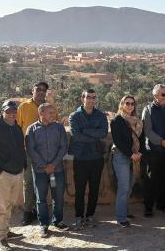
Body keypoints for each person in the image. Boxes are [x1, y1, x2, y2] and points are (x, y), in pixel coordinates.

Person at [25, 103, 68, 237]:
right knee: (41, 199)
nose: (53, 115)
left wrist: (53, 165)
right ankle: (43, 224)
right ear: (41, 114)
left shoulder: (59, 127)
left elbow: (63, 147)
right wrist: (44, 165)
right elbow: (31, 150)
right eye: (50, 113)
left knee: (58, 197)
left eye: (53, 112)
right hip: (40, 171)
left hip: (57, 170)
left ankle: (58, 221)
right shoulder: (31, 129)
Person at [69, 89, 108, 230]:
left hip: (96, 158)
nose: (91, 100)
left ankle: (90, 216)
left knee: (94, 189)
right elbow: (76, 136)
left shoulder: (101, 115)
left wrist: (85, 130)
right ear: (82, 98)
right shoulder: (74, 116)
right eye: (88, 97)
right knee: (79, 189)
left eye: (93, 97)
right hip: (81, 158)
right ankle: (79, 217)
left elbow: (103, 133)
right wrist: (94, 134)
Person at [17, 81, 55, 226]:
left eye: (43, 90)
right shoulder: (24, 106)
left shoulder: (51, 108)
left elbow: (55, 127)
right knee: (28, 183)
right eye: (38, 89)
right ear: (32, 90)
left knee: (49, 183)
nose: (40, 92)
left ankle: (43, 213)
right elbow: (17, 129)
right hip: (28, 152)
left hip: (48, 154)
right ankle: (28, 213)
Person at [0, 101, 27, 251]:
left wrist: (23, 163)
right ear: (3, 111)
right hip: (3, 173)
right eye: (9, 111)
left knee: (10, 203)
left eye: (14, 111)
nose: (12, 113)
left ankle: (6, 231)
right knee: (1, 207)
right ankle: (1, 238)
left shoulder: (16, 127)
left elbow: (20, 147)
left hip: (17, 171)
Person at [141, 84, 165, 217]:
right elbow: (148, 131)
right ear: (155, 96)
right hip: (153, 150)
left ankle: (161, 205)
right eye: (163, 94)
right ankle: (148, 207)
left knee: (164, 178)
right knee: (151, 179)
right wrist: (161, 141)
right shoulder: (148, 110)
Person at [110, 95, 143, 228]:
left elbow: (140, 139)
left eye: (132, 104)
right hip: (121, 156)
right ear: (122, 104)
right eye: (127, 103)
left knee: (129, 186)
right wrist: (131, 154)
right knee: (123, 187)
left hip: (134, 157)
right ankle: (121, 217)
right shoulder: (116, 121)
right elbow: (118, 141)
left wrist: (137, 154)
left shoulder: (137, 121)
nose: (130, 106)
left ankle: (124, 211)